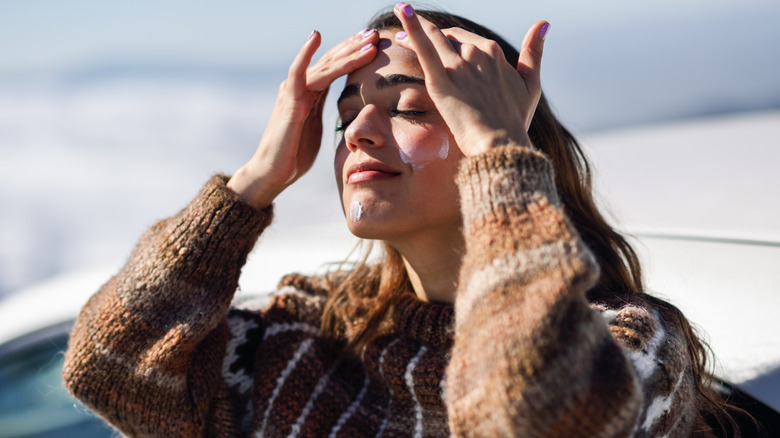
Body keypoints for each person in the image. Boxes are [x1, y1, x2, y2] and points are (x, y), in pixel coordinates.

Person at [63, 3, 736, 437]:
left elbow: (528, 414)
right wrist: (250, 185)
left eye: (410, 107)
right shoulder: (304, 333)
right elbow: (106, 368)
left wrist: (500, 157)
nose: (358, 132)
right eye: (346, 112)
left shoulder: (630, 347)